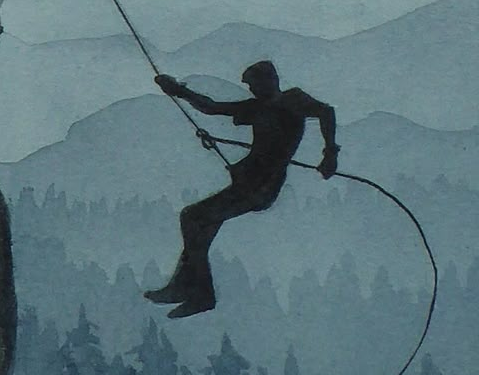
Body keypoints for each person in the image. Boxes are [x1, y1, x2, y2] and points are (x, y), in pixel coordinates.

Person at [145, 60, 340, 319]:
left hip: (261, 186)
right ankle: (184, 286)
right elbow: (213, 108)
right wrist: (181, 91)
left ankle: (201, 293)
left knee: (193, 218)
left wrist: (330, 153)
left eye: (253, 83)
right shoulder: (260, 106)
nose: (251, 89)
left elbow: (326, 111)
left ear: (270, 80)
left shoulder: (292, 100)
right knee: (201, 227)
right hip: (250, 182)